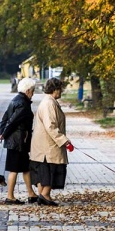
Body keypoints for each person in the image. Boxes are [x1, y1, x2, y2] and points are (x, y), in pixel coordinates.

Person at [30, 78, 71, 206]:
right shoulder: (49, 103)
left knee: (45, 170)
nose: (61, 92)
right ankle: (45, 195)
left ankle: (43, 195)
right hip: (48, 145)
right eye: (60, 89)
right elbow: (51, 126)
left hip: (44, 145)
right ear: (55, 89)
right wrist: (64, 141)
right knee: (52, 169)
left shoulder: (49, 101)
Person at [0, 77, 38, 205]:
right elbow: (12, 121)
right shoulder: (23, 104)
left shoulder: (14, 100)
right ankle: (10, 196)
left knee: (25, 168)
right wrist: (3, 134)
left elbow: (4, 118)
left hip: (17, 141)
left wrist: (1, 133)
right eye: (32, 91)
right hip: (18, 142)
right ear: (27, 91)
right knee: (14, 169)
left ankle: (31, 194)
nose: (33, 93)